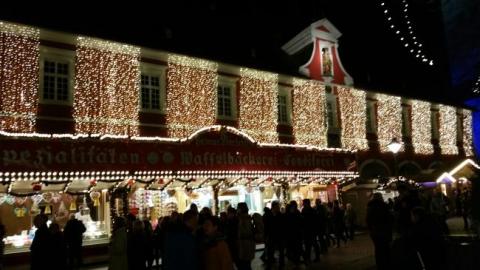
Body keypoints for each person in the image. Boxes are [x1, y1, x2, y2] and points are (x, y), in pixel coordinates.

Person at [366, 193, 393, 270]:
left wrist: (370, 229)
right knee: (386, 248)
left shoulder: (370, 207)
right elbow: (389, 219)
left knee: (378, 249)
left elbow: (368, 220)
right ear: (380, 197)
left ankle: (380, 265)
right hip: (384, 230)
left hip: (375, 231)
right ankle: (387, 264)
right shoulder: (384, 206)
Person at [264, 201, 285, 270]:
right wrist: (266, 236)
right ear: (273, 207)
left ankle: (281, 264)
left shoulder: (281, 215)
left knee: (281, 251)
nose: (278, 208)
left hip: (280, 236)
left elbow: (283, 227)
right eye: (277, 207)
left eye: (278, 207)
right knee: (270, 252)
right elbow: (266, 227)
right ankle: (269, 265)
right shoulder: (268, 215)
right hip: (271, 236)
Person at [236, 203, 255, 270]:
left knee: (245, 264)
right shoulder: (243, 217)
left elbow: (246, 231)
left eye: (238, 208)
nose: (237, 209)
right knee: (246, 264)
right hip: (245, 244)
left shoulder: (244, 218)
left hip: (246, 244)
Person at [301, 199, 320, 263]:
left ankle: (310, 258)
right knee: (310, 245)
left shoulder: (306, 210)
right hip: (310, 230)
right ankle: (312, 257)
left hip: (309, 230)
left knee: (309, 245)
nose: (302, 204)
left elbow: (304, 220)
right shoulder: (311, 210)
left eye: (303, 203)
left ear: (306, 203)